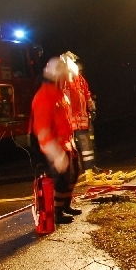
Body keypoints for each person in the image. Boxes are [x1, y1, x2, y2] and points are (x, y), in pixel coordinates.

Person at [31, 54, 82, 224]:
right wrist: (56, 154)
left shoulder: (59, 92)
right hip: (55, 146)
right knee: (61, 179)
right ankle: (57, 212)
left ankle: (65, 205)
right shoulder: (44, 97)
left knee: (73, 174)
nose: (68, 80)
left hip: (67, 143)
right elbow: (42, 130)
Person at [62, 53, 97, 177]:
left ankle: (89, 169)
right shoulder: (63, 80)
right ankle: (74, 171)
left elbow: (87, 95)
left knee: (86, 146)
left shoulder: (80, 80)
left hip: (80, 121)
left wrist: (92, 108)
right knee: (71, 147)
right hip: (68, 122)